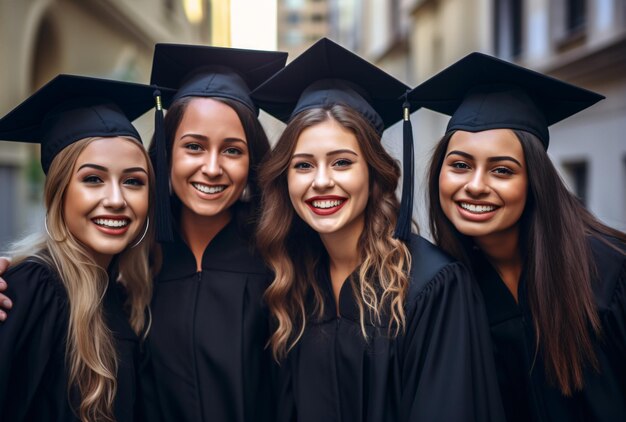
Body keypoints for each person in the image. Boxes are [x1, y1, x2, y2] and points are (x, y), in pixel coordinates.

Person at [251, 38, 505, 422]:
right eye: (303, 165)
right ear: (283, 178)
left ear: (374, 174)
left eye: (341, 162)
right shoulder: (295, 283)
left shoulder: (430, 285)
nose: (320, 181)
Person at [409, 52, 626, 421]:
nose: (475, 186)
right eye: (460, 165)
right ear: (438, 174)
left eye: (502, 170)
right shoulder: (452, 290)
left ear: (534, 181)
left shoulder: (609, 271)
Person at [140, 44, 287, 422]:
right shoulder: (132, 255)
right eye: (193, 147)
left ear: (253, 160)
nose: (211, 168)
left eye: (232, 151)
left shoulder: (281, 257)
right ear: (166, 153)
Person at [0, 75, 158, 421]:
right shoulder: (29, 291)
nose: (116, 200)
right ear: (58, 193)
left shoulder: (119, 292)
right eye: (92, 179)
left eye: (133, 181)